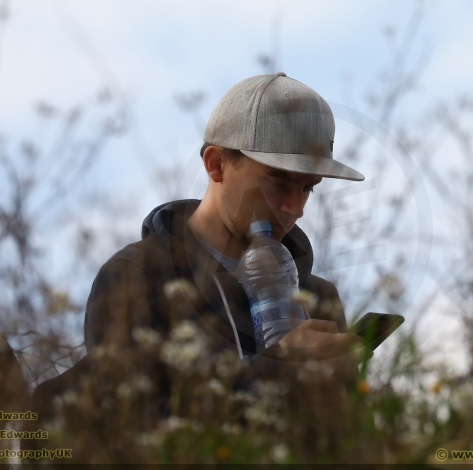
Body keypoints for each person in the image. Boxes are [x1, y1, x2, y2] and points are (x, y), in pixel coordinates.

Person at [27, 74, 374, 456]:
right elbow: (129, 435)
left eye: (309, 187)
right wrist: (278, 372)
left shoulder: (319, 296)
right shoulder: (137, 277)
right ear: (216, 164)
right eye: (278, 182)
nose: (296, 207)